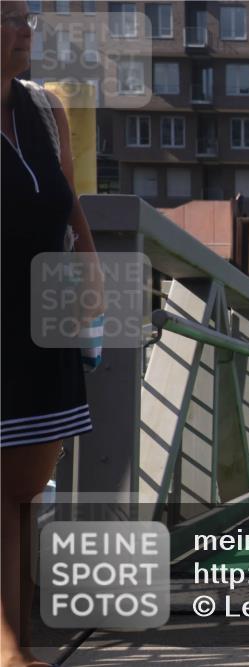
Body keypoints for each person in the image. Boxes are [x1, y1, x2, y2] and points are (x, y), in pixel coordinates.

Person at [2, 4, 104, 665]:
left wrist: (92, 263)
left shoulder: (42, 107)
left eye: (26, 17)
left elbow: (66, 196)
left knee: (24, 488)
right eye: (7, 19)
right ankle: (13, 646)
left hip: (42, 315)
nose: (24, 31)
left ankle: (21, 637)